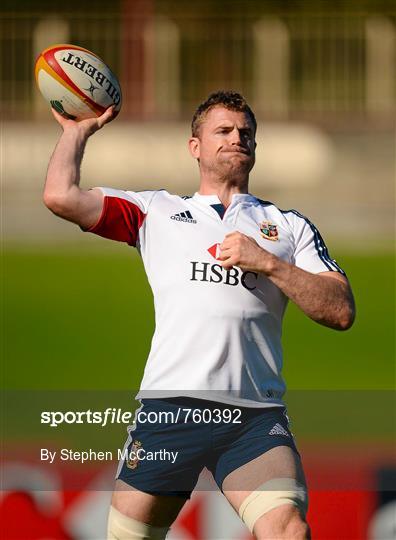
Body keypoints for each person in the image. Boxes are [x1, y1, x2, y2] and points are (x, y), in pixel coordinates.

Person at [44, 91, 355, 540]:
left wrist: (269, 263)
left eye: (245, 132)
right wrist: (76, 132)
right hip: (170, 412)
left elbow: (341, 310)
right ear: (195, 147)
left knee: (288, 531)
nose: (237, 139)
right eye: (223, 131)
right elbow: (60, 195)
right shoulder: (157, 212)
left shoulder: (287, 226)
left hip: (253, 416)